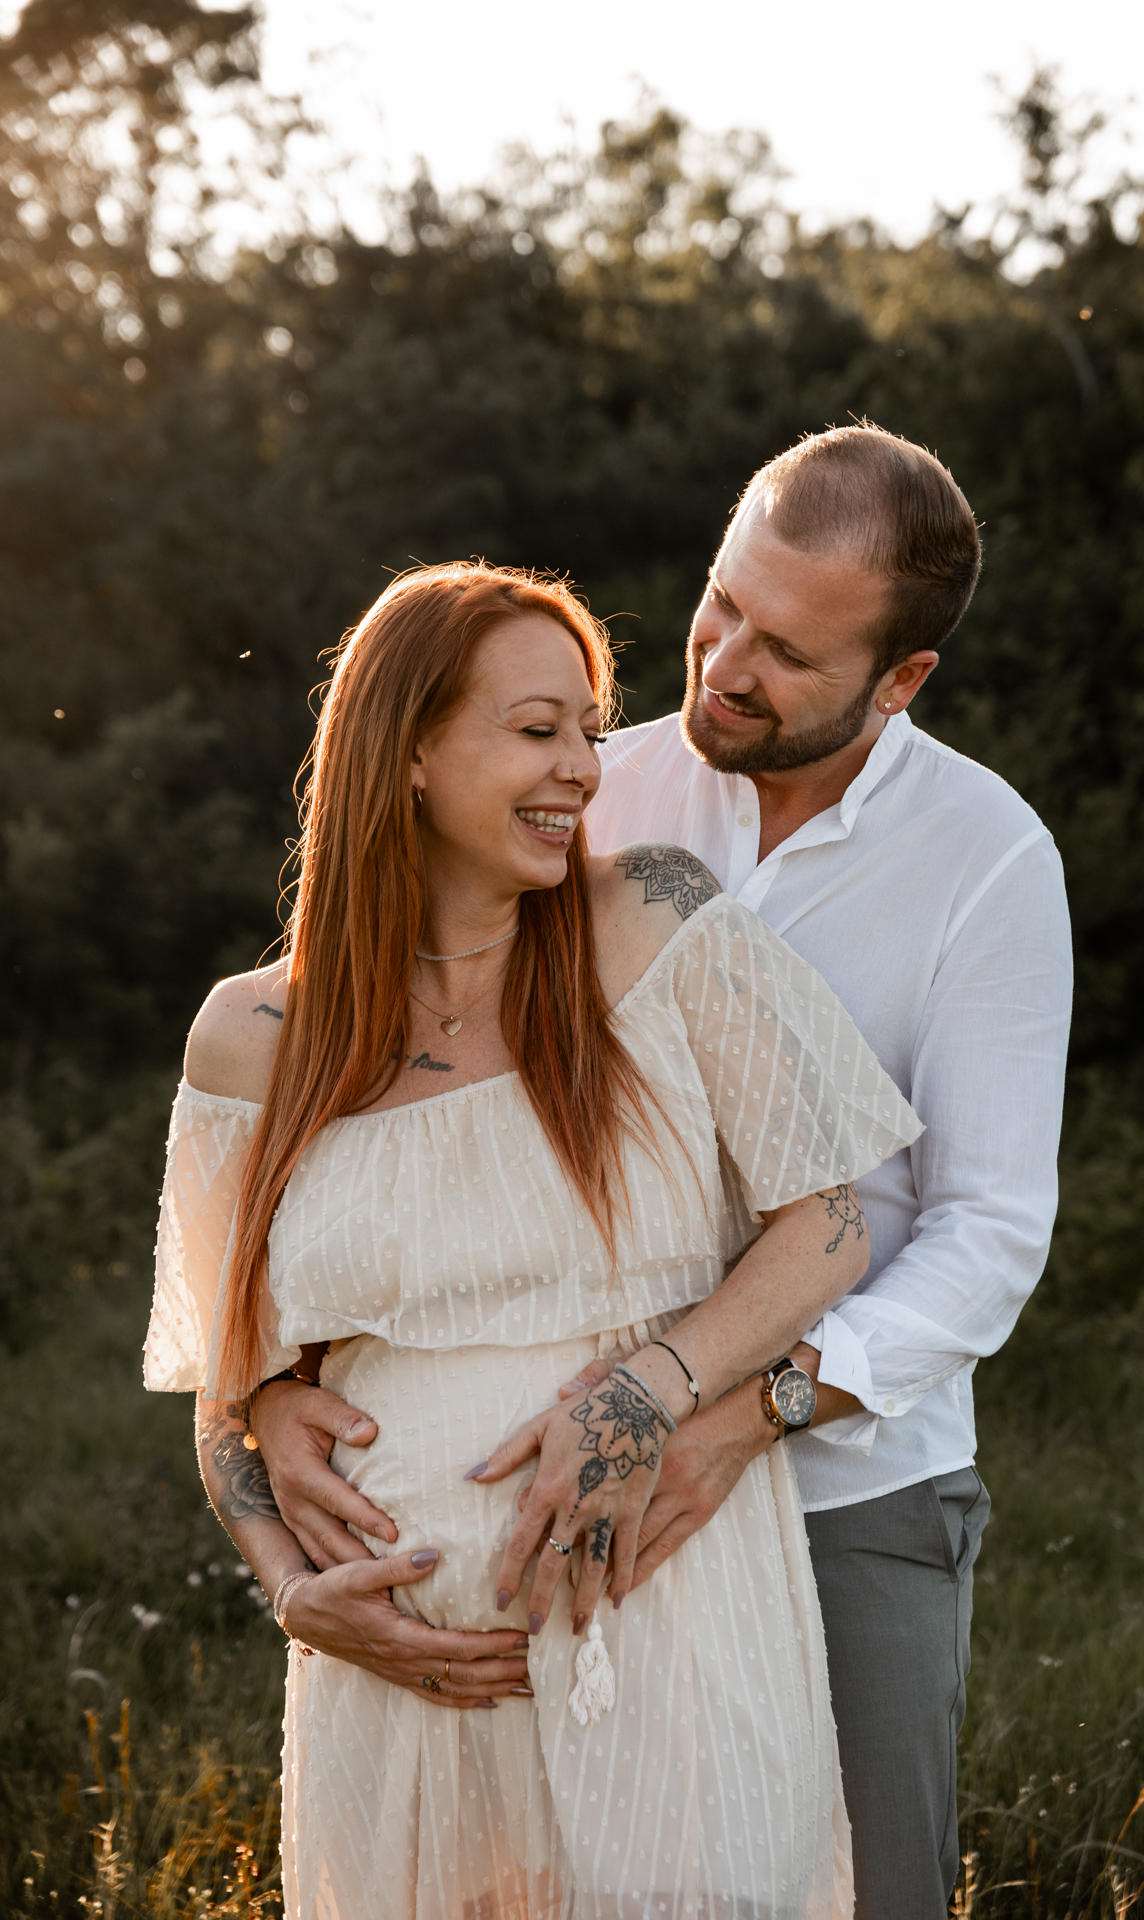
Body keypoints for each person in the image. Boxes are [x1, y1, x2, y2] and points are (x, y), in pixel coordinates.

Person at [251, 426, 1074, 1918]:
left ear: (899, 682)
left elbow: (987, 1233)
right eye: (723, 607)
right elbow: (394, 1087)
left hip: (851, 1482)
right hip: (564, 1509)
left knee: (867, 1889)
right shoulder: (590, 793)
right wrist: (266, 1388)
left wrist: (738, 1404)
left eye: (788, 654)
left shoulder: (989, 861)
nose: (725, 664)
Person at [143, 560, 924, 1919]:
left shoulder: (655, 919)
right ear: (410, 755)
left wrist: (648, 1386)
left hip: (670, 1616)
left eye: (587, 726)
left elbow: (830, 1223)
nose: (582, 767)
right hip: (402, 1678)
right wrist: (292, 1590)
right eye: (535, 729)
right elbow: (229, 1387)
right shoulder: (251, 1037)